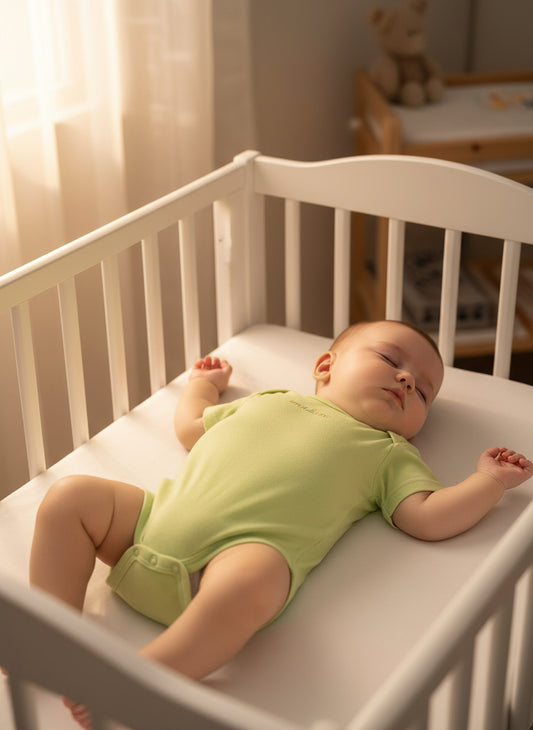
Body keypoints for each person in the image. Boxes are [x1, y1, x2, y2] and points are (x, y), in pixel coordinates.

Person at [29, 320, 533, 728]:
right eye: (389, 360)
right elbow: (189, 428)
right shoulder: (269, 400)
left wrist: (486, 481)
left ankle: (139, 681)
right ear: (325, 366)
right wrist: (202, 384)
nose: (406, 380)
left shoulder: (388, 453)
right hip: (144, 528)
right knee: (72, 496)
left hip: (224, 571)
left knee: (257, 576)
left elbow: (427, 517)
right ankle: (46, 635)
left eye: (423, 391)